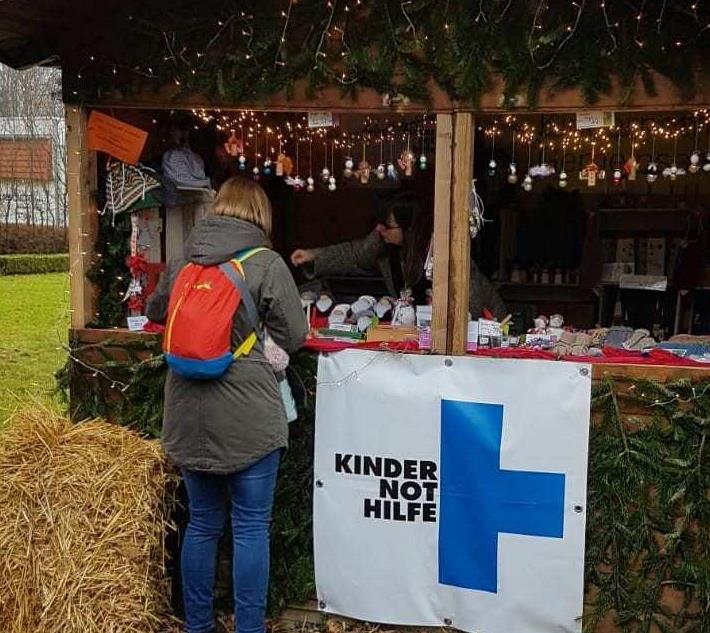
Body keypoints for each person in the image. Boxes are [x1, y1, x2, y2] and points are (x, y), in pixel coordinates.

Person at [146, 177, 307, 633]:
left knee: (201, 524)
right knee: (251, 528)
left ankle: (198, 625)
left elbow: (159, 312)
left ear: (218, 208)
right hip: (249, 419)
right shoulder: (266, 263)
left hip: (187, 415)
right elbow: (294, 335)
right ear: (260, 215)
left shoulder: (185, 258)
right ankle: (249, 627)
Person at [290, 192, 507, 319]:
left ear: (409, 227)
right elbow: (354, 253)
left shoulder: (443, 252)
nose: (379, 230)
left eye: (387, 226)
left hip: (481, 324)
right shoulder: (384, 244)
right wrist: (313, 255)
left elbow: (472, 305)